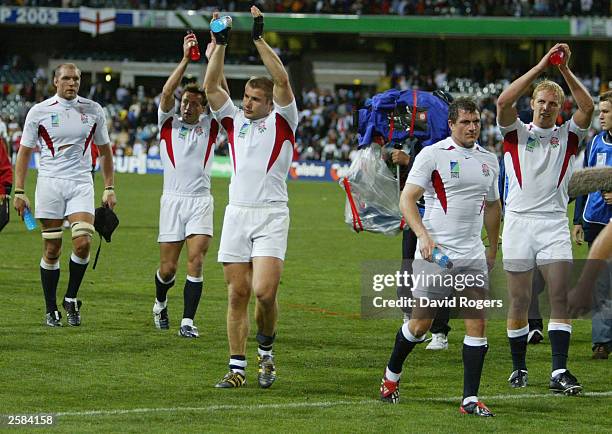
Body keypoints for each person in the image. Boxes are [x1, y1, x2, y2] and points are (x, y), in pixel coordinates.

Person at [379, 97, 501, 417]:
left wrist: (492, 247)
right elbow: (408, 199)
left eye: (476, 122)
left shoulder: (490, 160)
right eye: (465, 122)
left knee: (477, 324)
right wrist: (423, 236)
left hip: (472, 254)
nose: (472, 127)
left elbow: (492, 206)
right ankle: (391, 376)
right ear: (451, 125)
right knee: (420, 324)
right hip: (436, 254)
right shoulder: (432, 155)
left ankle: (470, 400)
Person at [204, 6, 298, 389]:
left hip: (272, 214)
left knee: (264, 292)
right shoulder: (234, 121)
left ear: (271, 102)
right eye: (245, 97)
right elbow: (211, 88)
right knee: (237, 293)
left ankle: (267, 353)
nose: (247, 103)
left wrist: (258, 38)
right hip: (237, 214)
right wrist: (221, 45)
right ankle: (237, 367)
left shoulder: (284, 121)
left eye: (255, 99)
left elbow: (282, 78)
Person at [496, 43, 594, 394]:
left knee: (559, 298)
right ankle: (519, 368)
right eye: (542, 102)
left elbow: (588, 107)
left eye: (554, 103)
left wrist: (564, 69)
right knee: (519, 300)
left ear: (558, 107)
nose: (548, 108)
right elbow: (503, 103)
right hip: (519, 222)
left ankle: (558, 372)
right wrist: (540, 66)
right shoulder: (515, 133)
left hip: (553, 223)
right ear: (533, 104)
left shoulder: (567, 136)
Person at [13, 63, 116, 327]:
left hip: (81, 182)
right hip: (50, 184)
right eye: (67, 78)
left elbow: (105, 151)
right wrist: (20, 190)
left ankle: (70, 298)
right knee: (52, 248)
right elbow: (24, 153)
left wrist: (109, 187)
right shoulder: (39, 112)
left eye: (76, 79)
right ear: (55, 82)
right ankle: (50, 308)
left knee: (83, 243)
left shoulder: (93, 110)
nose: (72, 83)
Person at [152, 32, 223, 338]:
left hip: (200, 201)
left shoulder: (210, 126)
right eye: (185, 102)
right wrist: (184, 58)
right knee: (168, 269)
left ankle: (188, 322)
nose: (187, 107)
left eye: (194, 103)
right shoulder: (168, 124)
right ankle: (160, 302)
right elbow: (166, 93)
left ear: (204, 108)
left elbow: (222, 93)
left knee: (196, 261)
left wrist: (215, 52)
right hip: (172, 201)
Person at [571, 90, 612, 359]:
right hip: (595, 219)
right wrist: (577, 220)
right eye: (601, 111)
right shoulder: (596, 141)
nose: (602, 116)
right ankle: (602, 340)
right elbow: (585, 182)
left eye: (607, 111)